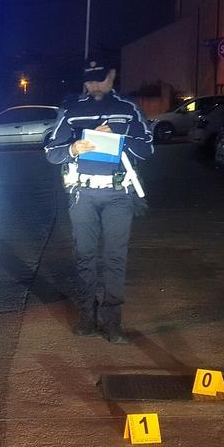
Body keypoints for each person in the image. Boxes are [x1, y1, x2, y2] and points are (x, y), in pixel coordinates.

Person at [44, 59, 153, 344]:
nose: (93, 85)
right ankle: (87, 316)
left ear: (113, 75)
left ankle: (113, 322)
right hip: (83, 193)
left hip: (118, 194)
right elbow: (52, 152)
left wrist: (120, 137)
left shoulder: (128, 108)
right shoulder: (71, 108)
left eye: (99, 79)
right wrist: (72, 148)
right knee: (85, 257)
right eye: (89, 80)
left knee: (115, 258)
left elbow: (147, 149)